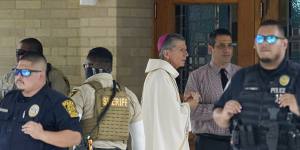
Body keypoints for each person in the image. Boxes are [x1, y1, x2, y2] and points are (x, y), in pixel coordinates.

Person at [213, 19, 300, 150]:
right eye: (260, 39)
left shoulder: (297, 75)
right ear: (254, 44)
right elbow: (217, 115)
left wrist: (297, 107)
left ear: (284, 43)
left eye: (271, 39)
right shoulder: (241, 76)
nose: (264, 43)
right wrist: (224, 114)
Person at [0, 52, 81, 150]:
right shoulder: (9, 98)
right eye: (17, 72)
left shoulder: (60, 102)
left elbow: (75, 138)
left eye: (25, 72)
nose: (19, 77)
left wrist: (42, 135)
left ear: (41, 75)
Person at [70, 47, 145, 150]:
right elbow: (140, 138)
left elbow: (69, 125)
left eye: (85, 66)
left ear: (89, 67)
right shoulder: (129, 95)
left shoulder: (81, 92)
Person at [184, 28, 240, 150]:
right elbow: (191, 111)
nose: (227, 50)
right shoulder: (196, 76)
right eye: (221, 46)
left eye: (230, 46)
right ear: (210, 49)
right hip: (208, 142)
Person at [142, 33, 199, 150]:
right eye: (181, 50)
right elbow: (171, 120)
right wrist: (190, 106)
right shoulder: (161, 77)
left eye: (186, 50)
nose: (186, 54)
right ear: (167, 54)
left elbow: (165, 110)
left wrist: (181, 98)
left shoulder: (162, 75)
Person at [0, 38, 70, 99]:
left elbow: (63, 105)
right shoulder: (9, 77)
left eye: (24, 53)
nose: (20, 57)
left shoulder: (54, 76)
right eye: (18, 53)